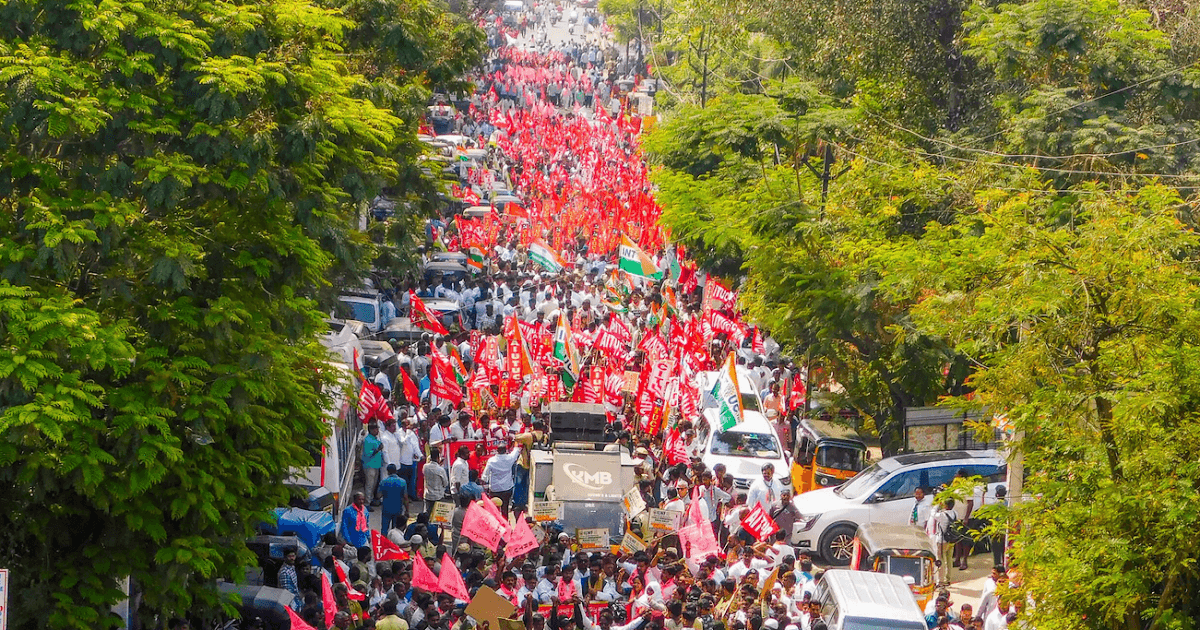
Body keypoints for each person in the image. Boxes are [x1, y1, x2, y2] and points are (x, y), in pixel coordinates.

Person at [483, 440, 524, 516]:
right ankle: (505, 525)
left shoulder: (491, 461)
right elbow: (516, 451)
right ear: (506, 450)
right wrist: (515, 442)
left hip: (495, 489)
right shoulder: (510, 458)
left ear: (497, 451)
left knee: (494, 510)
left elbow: (485, 476)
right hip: (506, 488)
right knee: (505, 508)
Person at [379, 464, 409, 533]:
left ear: (388, 472)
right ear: (396, 471)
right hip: (398, 508)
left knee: (384, 529)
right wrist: (407, 510)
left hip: (386, 508)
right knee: (396, 530)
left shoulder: (383, 482)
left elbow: (379, 495)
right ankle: (394, 543)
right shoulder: (402, 482)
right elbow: (405, 498)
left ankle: (383, 543)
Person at [363, 422, 386, 506]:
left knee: (373, 485)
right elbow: (368, 453)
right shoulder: (367, 440)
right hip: (370, 465)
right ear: (371, 430)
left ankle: (371, 499)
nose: (377, 431)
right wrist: (377, 449)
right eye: (376, 429)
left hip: (376, 465)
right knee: (369, 484)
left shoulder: (375, 438)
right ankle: (367, 503)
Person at [422, 447, 449, 513]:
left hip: (428, 495)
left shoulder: (425, 467)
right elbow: (445, 483)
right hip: (437, 496)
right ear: (438, 457)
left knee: (427, 514)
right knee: (436, 516)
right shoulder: (440, 470)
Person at [278, 547, 302, 611]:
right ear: (285, 557)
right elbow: (287, 591)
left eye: (293, 556)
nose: (292, 558)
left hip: (296, 599)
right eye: (289, 556)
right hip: (290, 602)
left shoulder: (292, 567)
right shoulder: (284, 572)